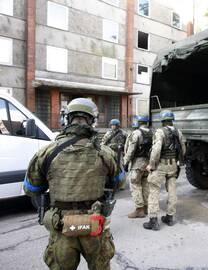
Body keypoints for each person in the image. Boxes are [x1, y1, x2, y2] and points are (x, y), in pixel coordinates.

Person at [24, 98, 119, 270]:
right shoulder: (106, 153)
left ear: (67, 119)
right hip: (95, 224)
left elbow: (31, 189)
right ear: (92, 121)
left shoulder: (46, 152)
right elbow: (119, 182)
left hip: (61, 227)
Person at [143, 110, 186, 231]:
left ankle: (153, 221)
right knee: (172, 191)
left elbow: (156, 150)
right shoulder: (178, 132)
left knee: (154, 190)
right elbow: (183, 149)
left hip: (161, 165)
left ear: (162, 121)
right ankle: (170, 217)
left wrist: (151, 165)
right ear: (172, 119)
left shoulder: (160, 132)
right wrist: (177, 161)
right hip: (173, 165)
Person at [123, 114, 153, 218]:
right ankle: (146, 207)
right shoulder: (152, 133)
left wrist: (125, 162)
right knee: (145, 185)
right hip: (148, 163)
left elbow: (131, 150)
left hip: (137, 163)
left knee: (135, 184)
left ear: (138, 122)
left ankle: (139, 209)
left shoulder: (136, 133)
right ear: (147, 123)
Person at [102, 119, 127, 189]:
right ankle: (112, 182)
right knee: (111, 167)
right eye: (112, 125)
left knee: (121, 168)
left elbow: (127, 143)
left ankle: (121, 184)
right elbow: (103, 143)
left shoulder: (123, 133)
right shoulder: (108, 133)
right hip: (110, 152)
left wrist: (124, 150)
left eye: (114, 125)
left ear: (118, 125)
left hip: (120, 153)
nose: (112, 126)